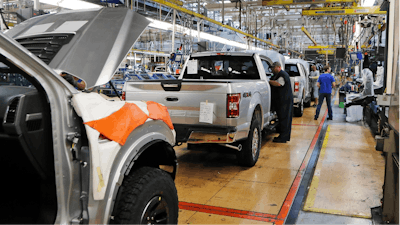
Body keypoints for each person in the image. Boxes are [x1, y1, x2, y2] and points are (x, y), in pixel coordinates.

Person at [269, 61, 293, 143]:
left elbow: (278, 84)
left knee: (284, 119)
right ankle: (282, 135)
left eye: (273, 68)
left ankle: (283, 138)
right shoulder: (278, 74)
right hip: (282, 101)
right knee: (282, 118)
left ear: (278, 67)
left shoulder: (282, 74)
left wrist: (268, 81)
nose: (272, 69)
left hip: (285, 102)